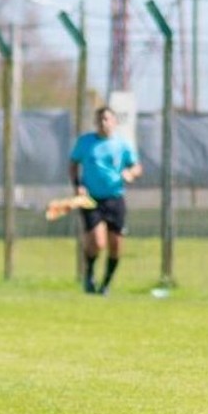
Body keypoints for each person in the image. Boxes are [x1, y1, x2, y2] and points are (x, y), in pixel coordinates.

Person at [69, 106, 142, 295]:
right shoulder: (86, 142)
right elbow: (73, 163)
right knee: (97, 242)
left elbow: (136, 167)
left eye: (107, 119)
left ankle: (106, 284)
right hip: (91, 199)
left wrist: (130, 173)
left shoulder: (122, 145)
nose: (103, 123)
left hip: (115, 199)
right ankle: (89, 274)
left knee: (116, 246)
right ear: (96, 122)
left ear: (115, 122)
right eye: (100, 119)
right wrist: (78, 184)